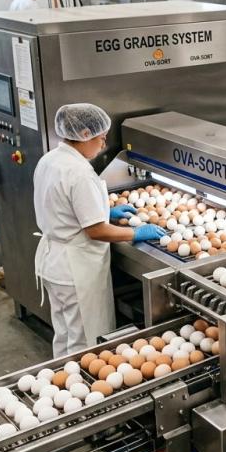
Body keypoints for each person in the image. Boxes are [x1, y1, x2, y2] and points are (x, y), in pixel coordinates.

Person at [33, 104, 165, 357]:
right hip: (76, 268)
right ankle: (80, 379)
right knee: (85, 341)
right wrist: (136, 233)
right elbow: (96, 231)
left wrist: (104, 210)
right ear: (84, 134)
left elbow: (63, 206)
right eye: (101, 138)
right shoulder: (80, 173)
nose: (103, 144)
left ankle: (63, 374)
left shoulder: (49, 160)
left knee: (64, 333)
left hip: (53, 261)